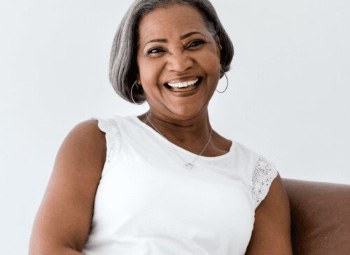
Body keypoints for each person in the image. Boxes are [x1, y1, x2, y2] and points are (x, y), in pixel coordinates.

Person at [29, 0, 292, 254]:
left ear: (218, 50)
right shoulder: (99, 140)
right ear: (136, 69)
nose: (179, 64)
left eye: (194, 43)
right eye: (156, 50)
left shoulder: (258, 177)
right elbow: (50, 250)